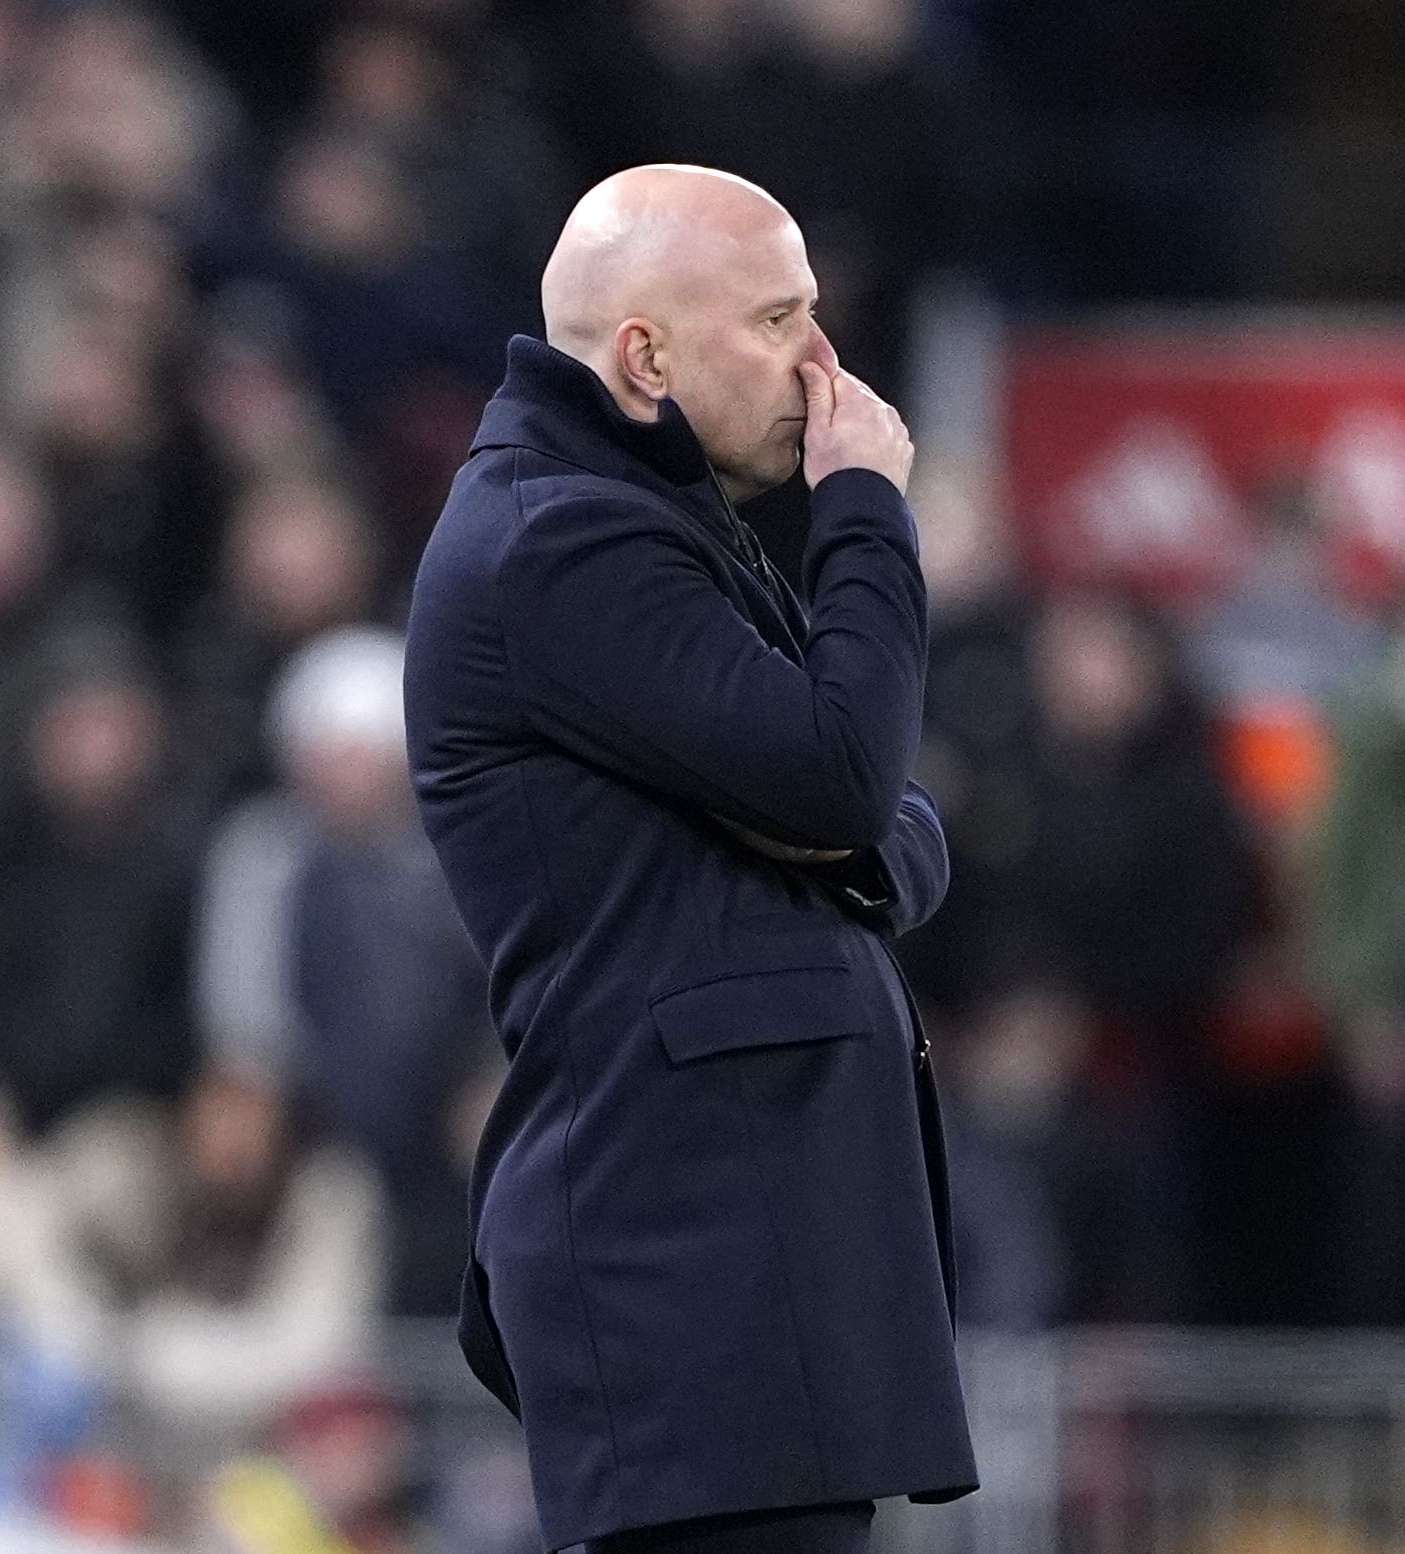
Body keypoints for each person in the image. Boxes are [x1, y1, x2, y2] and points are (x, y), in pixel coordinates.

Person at [403, 164, 973, 1554]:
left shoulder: (640, 520)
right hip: (689, 1257)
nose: (823, 362)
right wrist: (865, 508)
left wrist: (851, 832)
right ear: (646, 357)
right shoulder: (562, 541)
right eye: (777, 320)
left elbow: (877, 816)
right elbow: (848, 776)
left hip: (737, 1263)